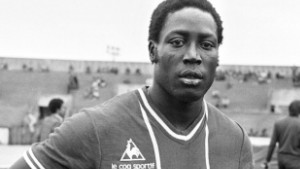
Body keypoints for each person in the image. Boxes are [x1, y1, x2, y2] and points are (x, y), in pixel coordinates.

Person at [9, 0, 253, 168]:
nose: (193, 55)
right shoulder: (93, 129)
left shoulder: (236, 140)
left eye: (207, 45)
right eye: (177, 42)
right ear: (152, 51)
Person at [263, 100, 300, 169]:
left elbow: (272, 144)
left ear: (289, 109)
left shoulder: (279, 123)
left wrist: (267, 160)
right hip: (296, 161)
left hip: (281, 160)